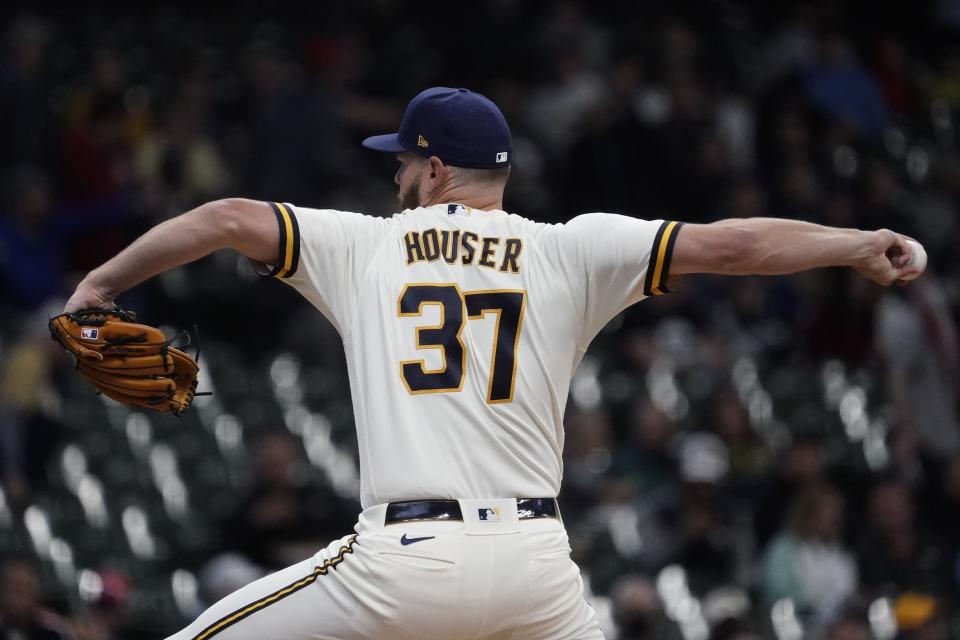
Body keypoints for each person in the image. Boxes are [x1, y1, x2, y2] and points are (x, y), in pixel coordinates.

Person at [63, 86, 924, 639]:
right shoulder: (569, 250)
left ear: (436, 171)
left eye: (403, 160)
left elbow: (223, 217)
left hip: (404, 564)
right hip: (535, 572)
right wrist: (855, 244)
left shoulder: (364, 246)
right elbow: (732, 245)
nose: (395, 173)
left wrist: (102, 280)